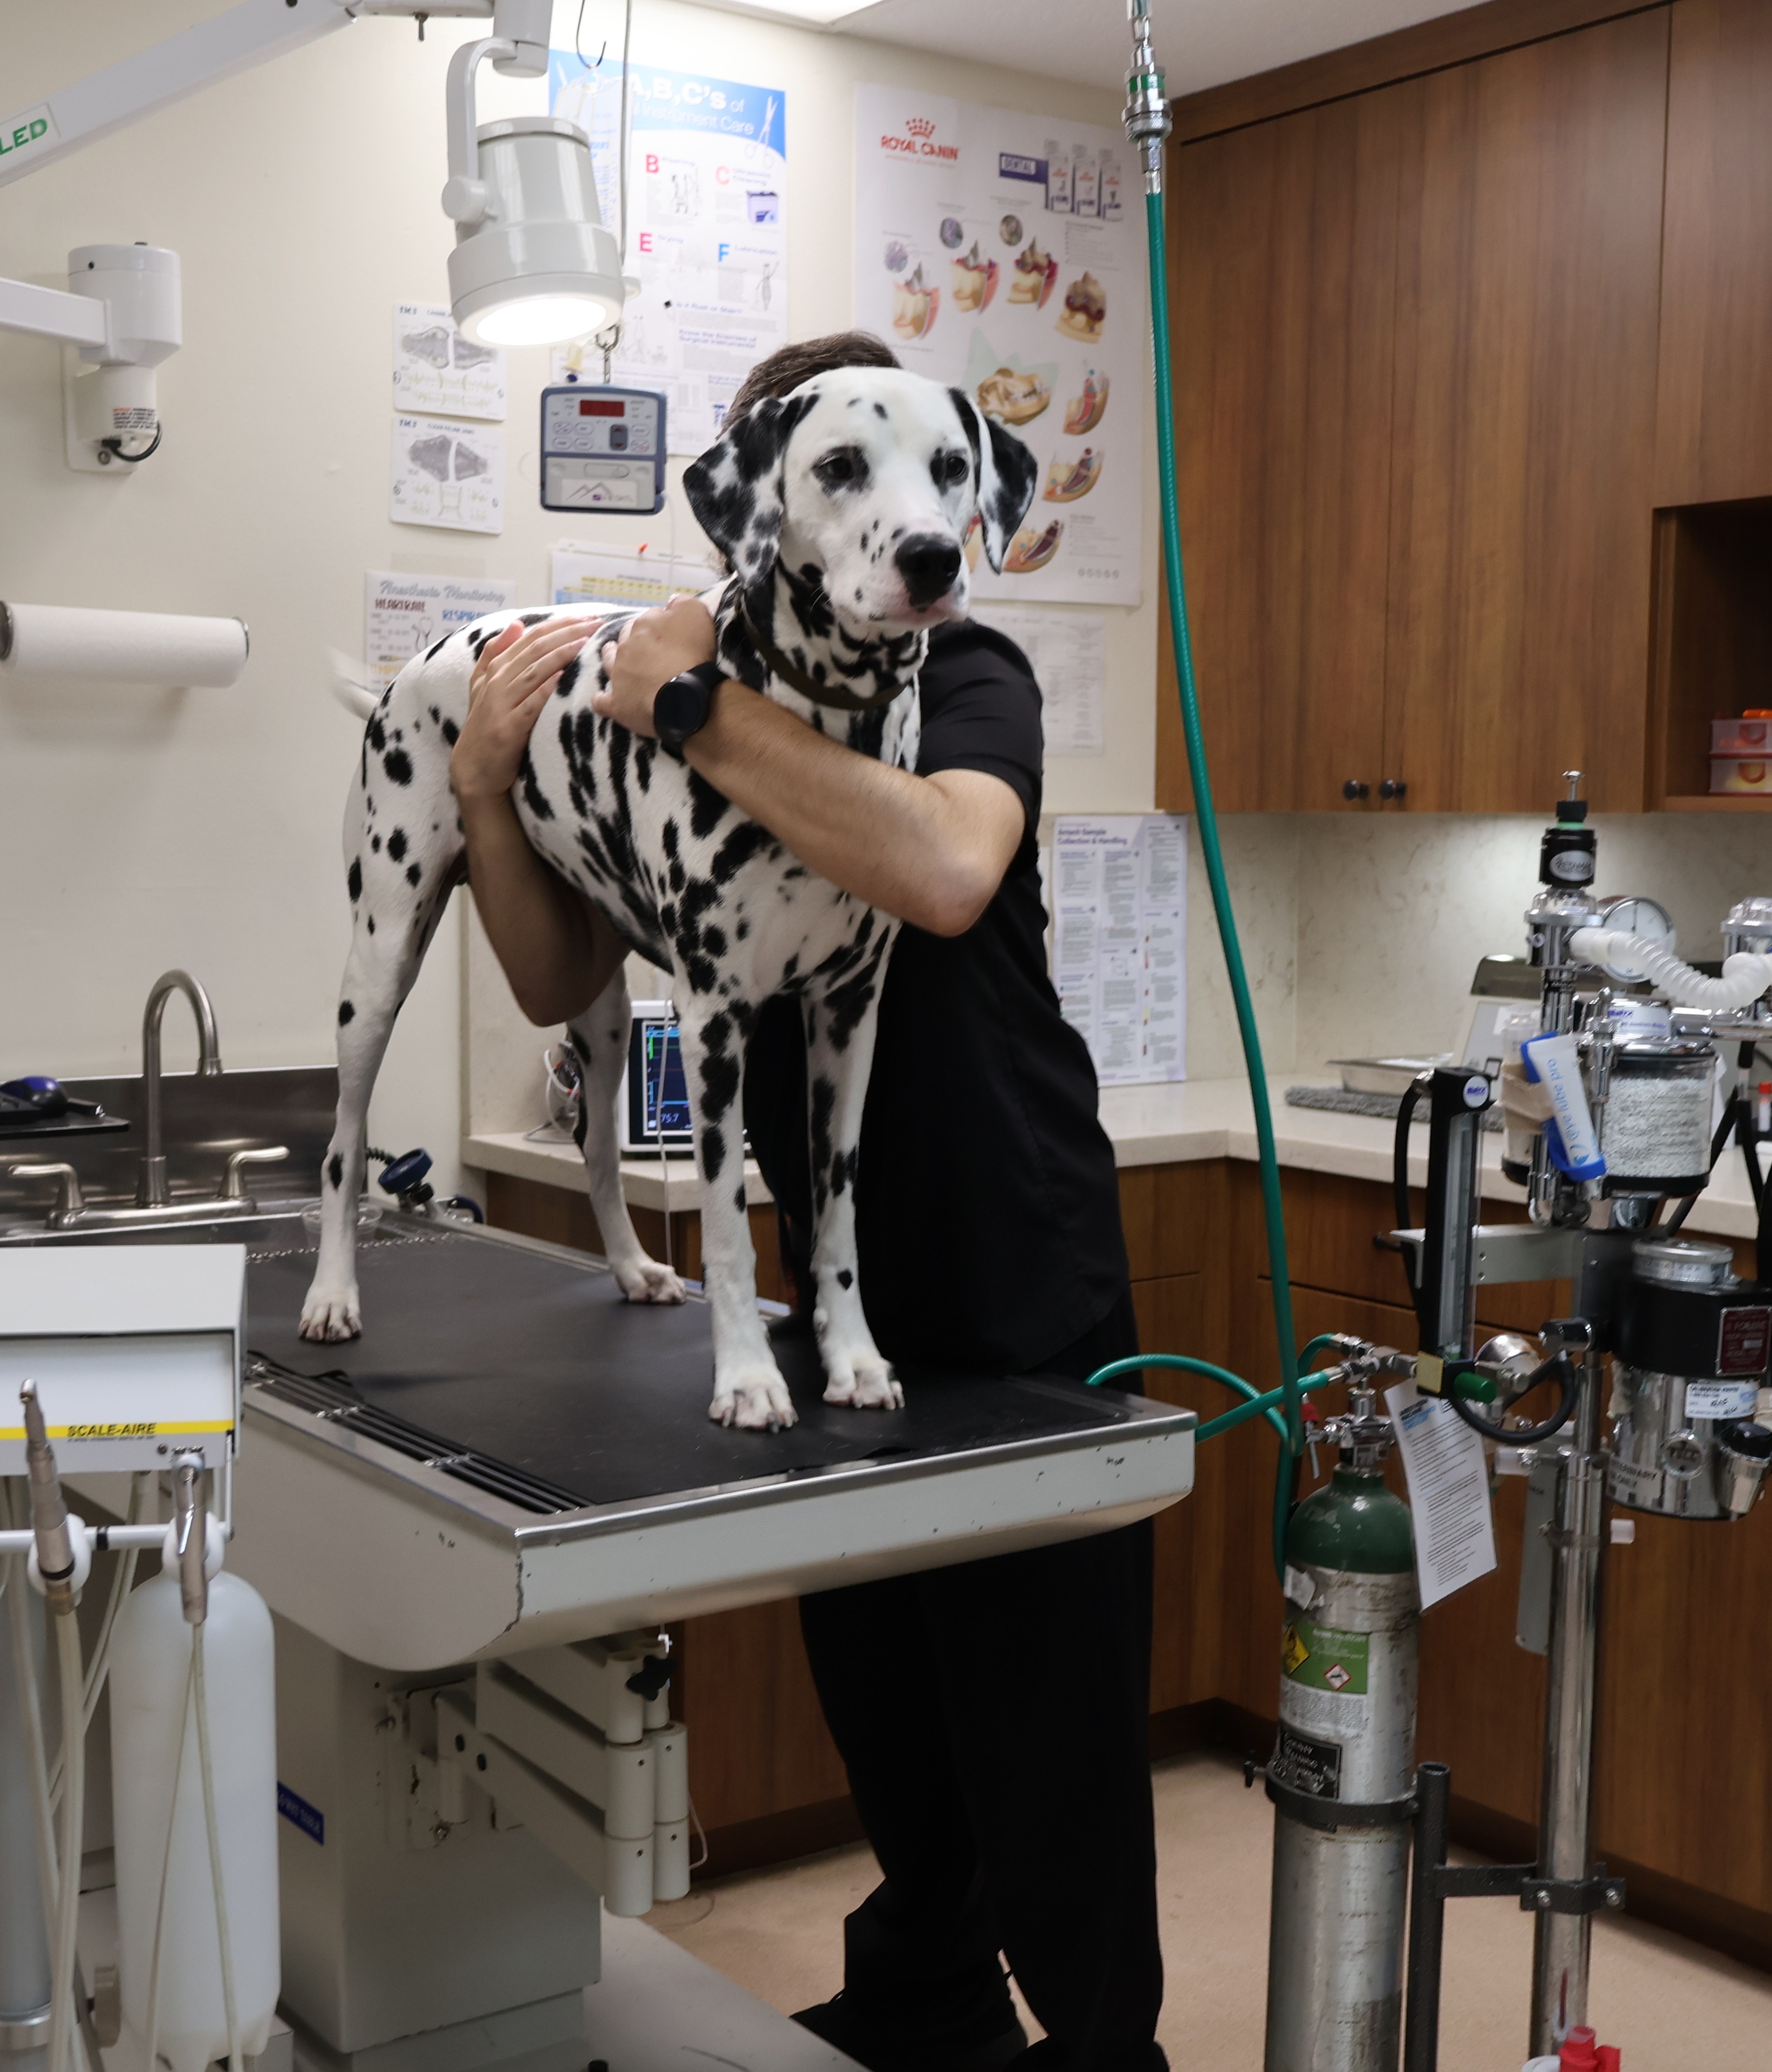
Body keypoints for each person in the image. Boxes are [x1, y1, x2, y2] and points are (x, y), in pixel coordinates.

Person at [448, 332, 1163, 2072]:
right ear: (762, 509)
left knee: (1048, 1749)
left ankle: (1105, 2054)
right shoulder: (703, 708)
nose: (891, 511)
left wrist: (693, 705)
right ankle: (927, 2010)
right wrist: (486, 784)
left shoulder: (967, 673)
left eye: (924, 472)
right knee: (891, 1717)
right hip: (833, 1301)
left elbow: (944, 866)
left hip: (1010, 1262)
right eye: (842, 473)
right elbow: (556, 985)